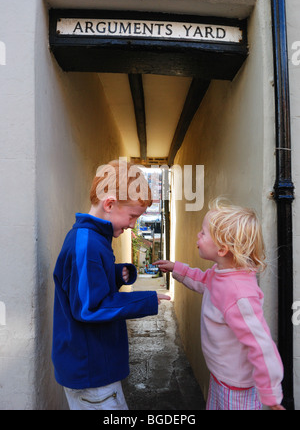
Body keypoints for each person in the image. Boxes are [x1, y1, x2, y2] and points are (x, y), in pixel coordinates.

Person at [52, 159, 170, 410]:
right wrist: (145, 300)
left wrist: (117, 275)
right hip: (91, 371)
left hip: (91, 366)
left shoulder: (92, 239)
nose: (132, 225)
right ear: (109, 204)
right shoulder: (87, 243)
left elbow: (83, 285)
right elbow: (89, 308)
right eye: (132, 216)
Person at [154, 198, 285, 410]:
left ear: (222, 249)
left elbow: (262, 345)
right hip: (221, 378)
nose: (198, 234)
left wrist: (270, 394)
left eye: (203, 232)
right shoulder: (220, 273)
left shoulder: (240, 294)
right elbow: (203, 280)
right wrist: (176, 268)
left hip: (238, 390)